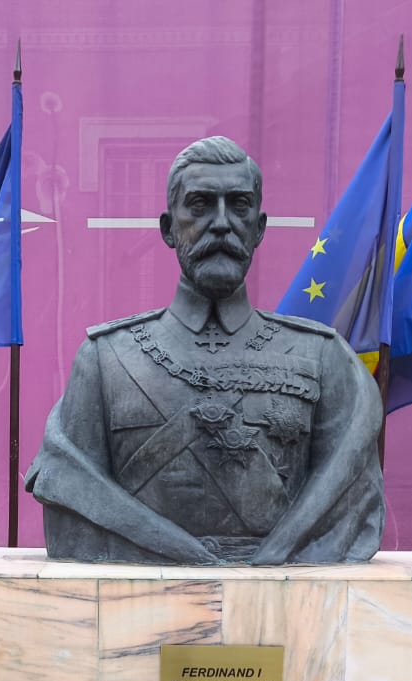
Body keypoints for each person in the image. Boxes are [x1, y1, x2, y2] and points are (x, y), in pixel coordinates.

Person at [26, 135, 384, 565]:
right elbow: (71, 499)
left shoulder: (323, 357)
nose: (221, 224)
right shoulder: (106, 359)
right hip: (142, 593)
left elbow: (350, 506)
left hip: (285, 593)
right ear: (168, 229)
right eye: (199, 205)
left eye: (239, 205)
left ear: (259, 228)